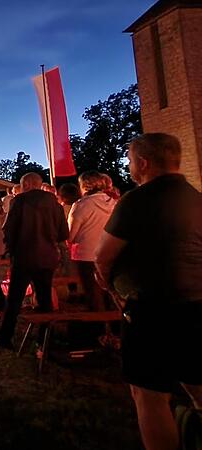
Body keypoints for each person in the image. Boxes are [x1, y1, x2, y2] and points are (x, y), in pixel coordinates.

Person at [95, 133, 202, 450]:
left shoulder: (137, 201)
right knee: (198, 385)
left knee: (149, 393)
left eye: (129, 160)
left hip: (152, 308)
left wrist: (112, 288)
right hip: (198, 304)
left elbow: (104, 256)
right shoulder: (196, 198)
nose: (128, 166)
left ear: (143, 162)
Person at [0, 172, 68, 349]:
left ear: (26, 184)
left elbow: (9, 230)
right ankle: (44, 338)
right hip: (47, 256)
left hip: (24, 256)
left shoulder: (19, 202)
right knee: (44, 299)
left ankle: (5, 337)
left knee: (15, 299)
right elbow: (64, 233)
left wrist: (10, 250)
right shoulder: (55, 204)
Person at [67, 171, 116, 311]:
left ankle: (98, 328)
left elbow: (71, 236)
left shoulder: (81, 205)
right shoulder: (114, 203)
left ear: (84, 185)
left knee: (93, 294)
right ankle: (114, 327)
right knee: (110, 294)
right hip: (110, 254)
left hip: (86, 256)